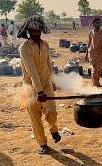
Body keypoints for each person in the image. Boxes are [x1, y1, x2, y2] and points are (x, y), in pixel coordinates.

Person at [17, 15, 61, 154]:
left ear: (41, 30)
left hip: (46, 83)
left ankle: (54, 129)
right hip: (31, 87)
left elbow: (49, 64)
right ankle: (42, 143)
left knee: (52, 112)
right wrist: (39, 92)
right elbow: (31, 72)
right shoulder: (24, 48)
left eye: (38, 30)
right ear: (28, 31)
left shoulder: (45, 44)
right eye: (33, 30)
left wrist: (52, 81)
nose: (36, 33)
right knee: (35, 117)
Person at [85, 17, 102, 87]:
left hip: (100, 54)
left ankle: (96, 82)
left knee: (98, 69)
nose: (99, 24)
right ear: (93, 24)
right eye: (97, 23)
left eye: (99, 22)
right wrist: (86, 54)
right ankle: (95, 84)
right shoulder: (91, 33)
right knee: (94, 68)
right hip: (92, 53)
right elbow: (89, 44)